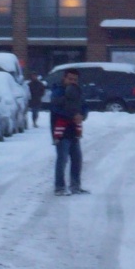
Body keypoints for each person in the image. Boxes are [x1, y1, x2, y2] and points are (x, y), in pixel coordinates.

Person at [49, 68, 88, 196]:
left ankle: (75, 186)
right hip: (61, 131)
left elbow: (84, 106)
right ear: (64, 78)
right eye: (70, 79)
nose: (72, 81)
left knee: (77, 159)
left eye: (75, 79)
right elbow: (56, 109)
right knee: (62, 159)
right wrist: (73, 115)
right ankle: (59, 187)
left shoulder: (78, 92)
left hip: (74, 131)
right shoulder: (58, 92)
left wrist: (82, 115)